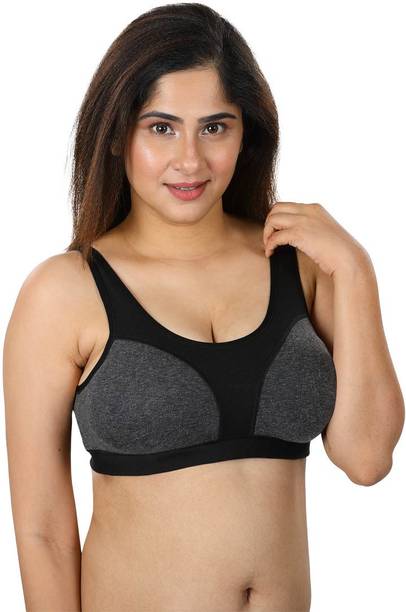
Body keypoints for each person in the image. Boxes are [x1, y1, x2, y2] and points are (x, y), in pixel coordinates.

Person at [3, 4, 404, 612]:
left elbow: (368, 458)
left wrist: (356, 270)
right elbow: (43, 530)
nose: (190, 160)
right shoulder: (65, 291)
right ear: (116, 135)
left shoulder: (300, 266)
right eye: (161, 128)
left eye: (215, 127)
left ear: (248, 134)